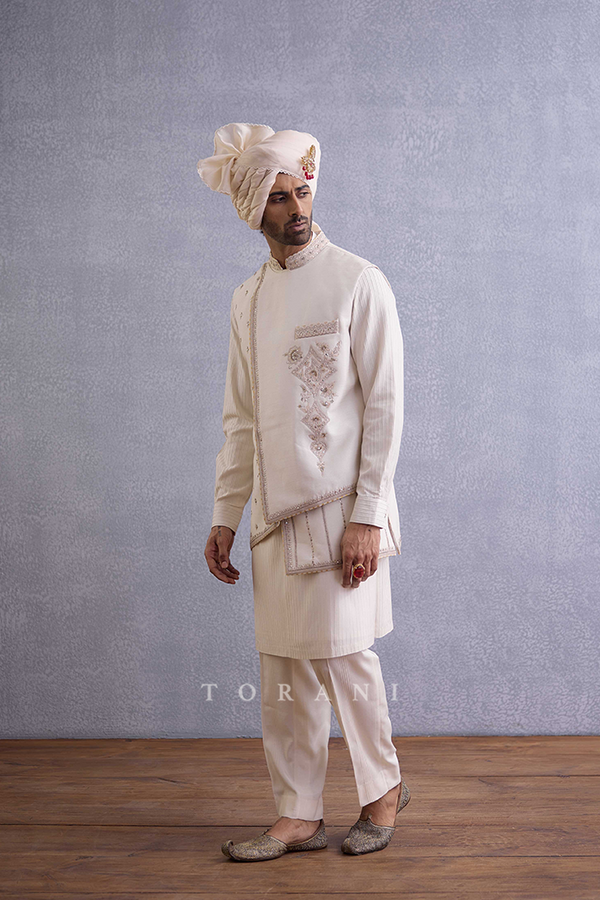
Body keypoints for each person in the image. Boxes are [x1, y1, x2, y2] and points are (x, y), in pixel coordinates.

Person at [197, 123, 409, 861]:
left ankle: (383, 791)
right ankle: (298, 814)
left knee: (346, 660)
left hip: (342, 513)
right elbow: (241, 418)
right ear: (253, 211)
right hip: (271, 519)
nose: (297, 208)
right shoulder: (247, 299)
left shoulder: (358, 280)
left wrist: (368, 517)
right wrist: (226, 514)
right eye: (280, 198)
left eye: (302, 191)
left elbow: (385, 409)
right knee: (284, 670)